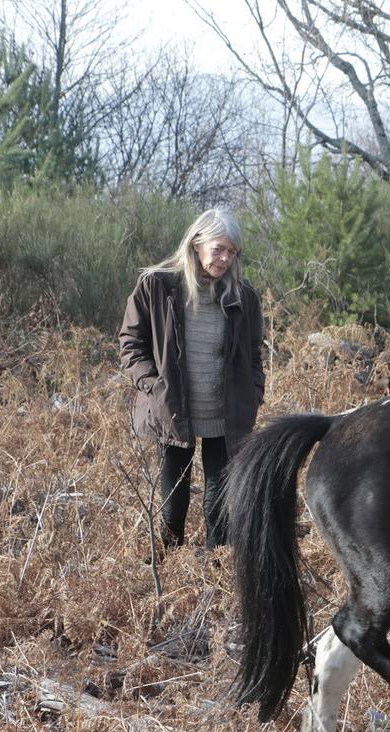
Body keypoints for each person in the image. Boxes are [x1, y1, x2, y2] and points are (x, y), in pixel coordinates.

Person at [118, 208, 266, 550]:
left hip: (225, 414)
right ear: (197, 244)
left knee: (219, 505)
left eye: (232, 251)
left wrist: (254, 390)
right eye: (219, 249)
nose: (226, 258)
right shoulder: (157, 286)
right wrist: (151, 385)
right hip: (172, 409)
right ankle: (170, 572)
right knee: (173, 504)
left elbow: (254, 353)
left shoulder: (244, 297)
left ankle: (213, 573)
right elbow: (130, 343)